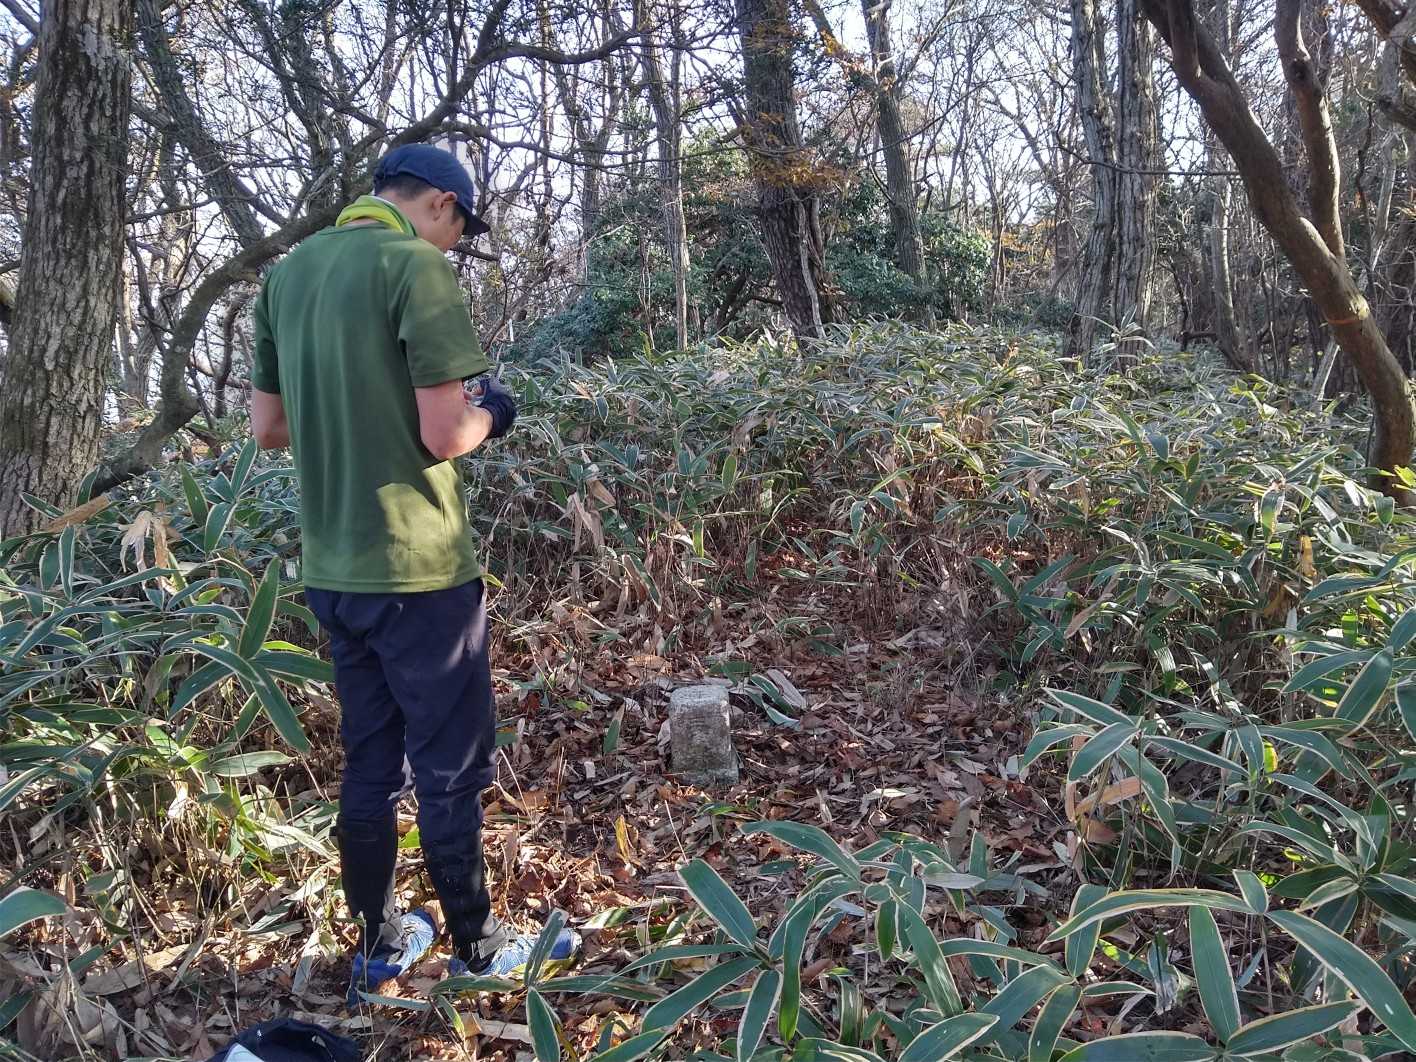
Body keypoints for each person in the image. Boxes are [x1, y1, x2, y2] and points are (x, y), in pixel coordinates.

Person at [248, 143, 579, 1005]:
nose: (455, 244)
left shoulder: (288, 277)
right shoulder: (414, 269)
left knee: (371, 761)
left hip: (334, 569)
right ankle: (478, 947)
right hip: (420, 570)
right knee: (449, 765)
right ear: (439, 204)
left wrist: (353, 409)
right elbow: (446, 434)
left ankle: (378, 944)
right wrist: (495, 410)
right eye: (460, 227)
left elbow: (269, 430)